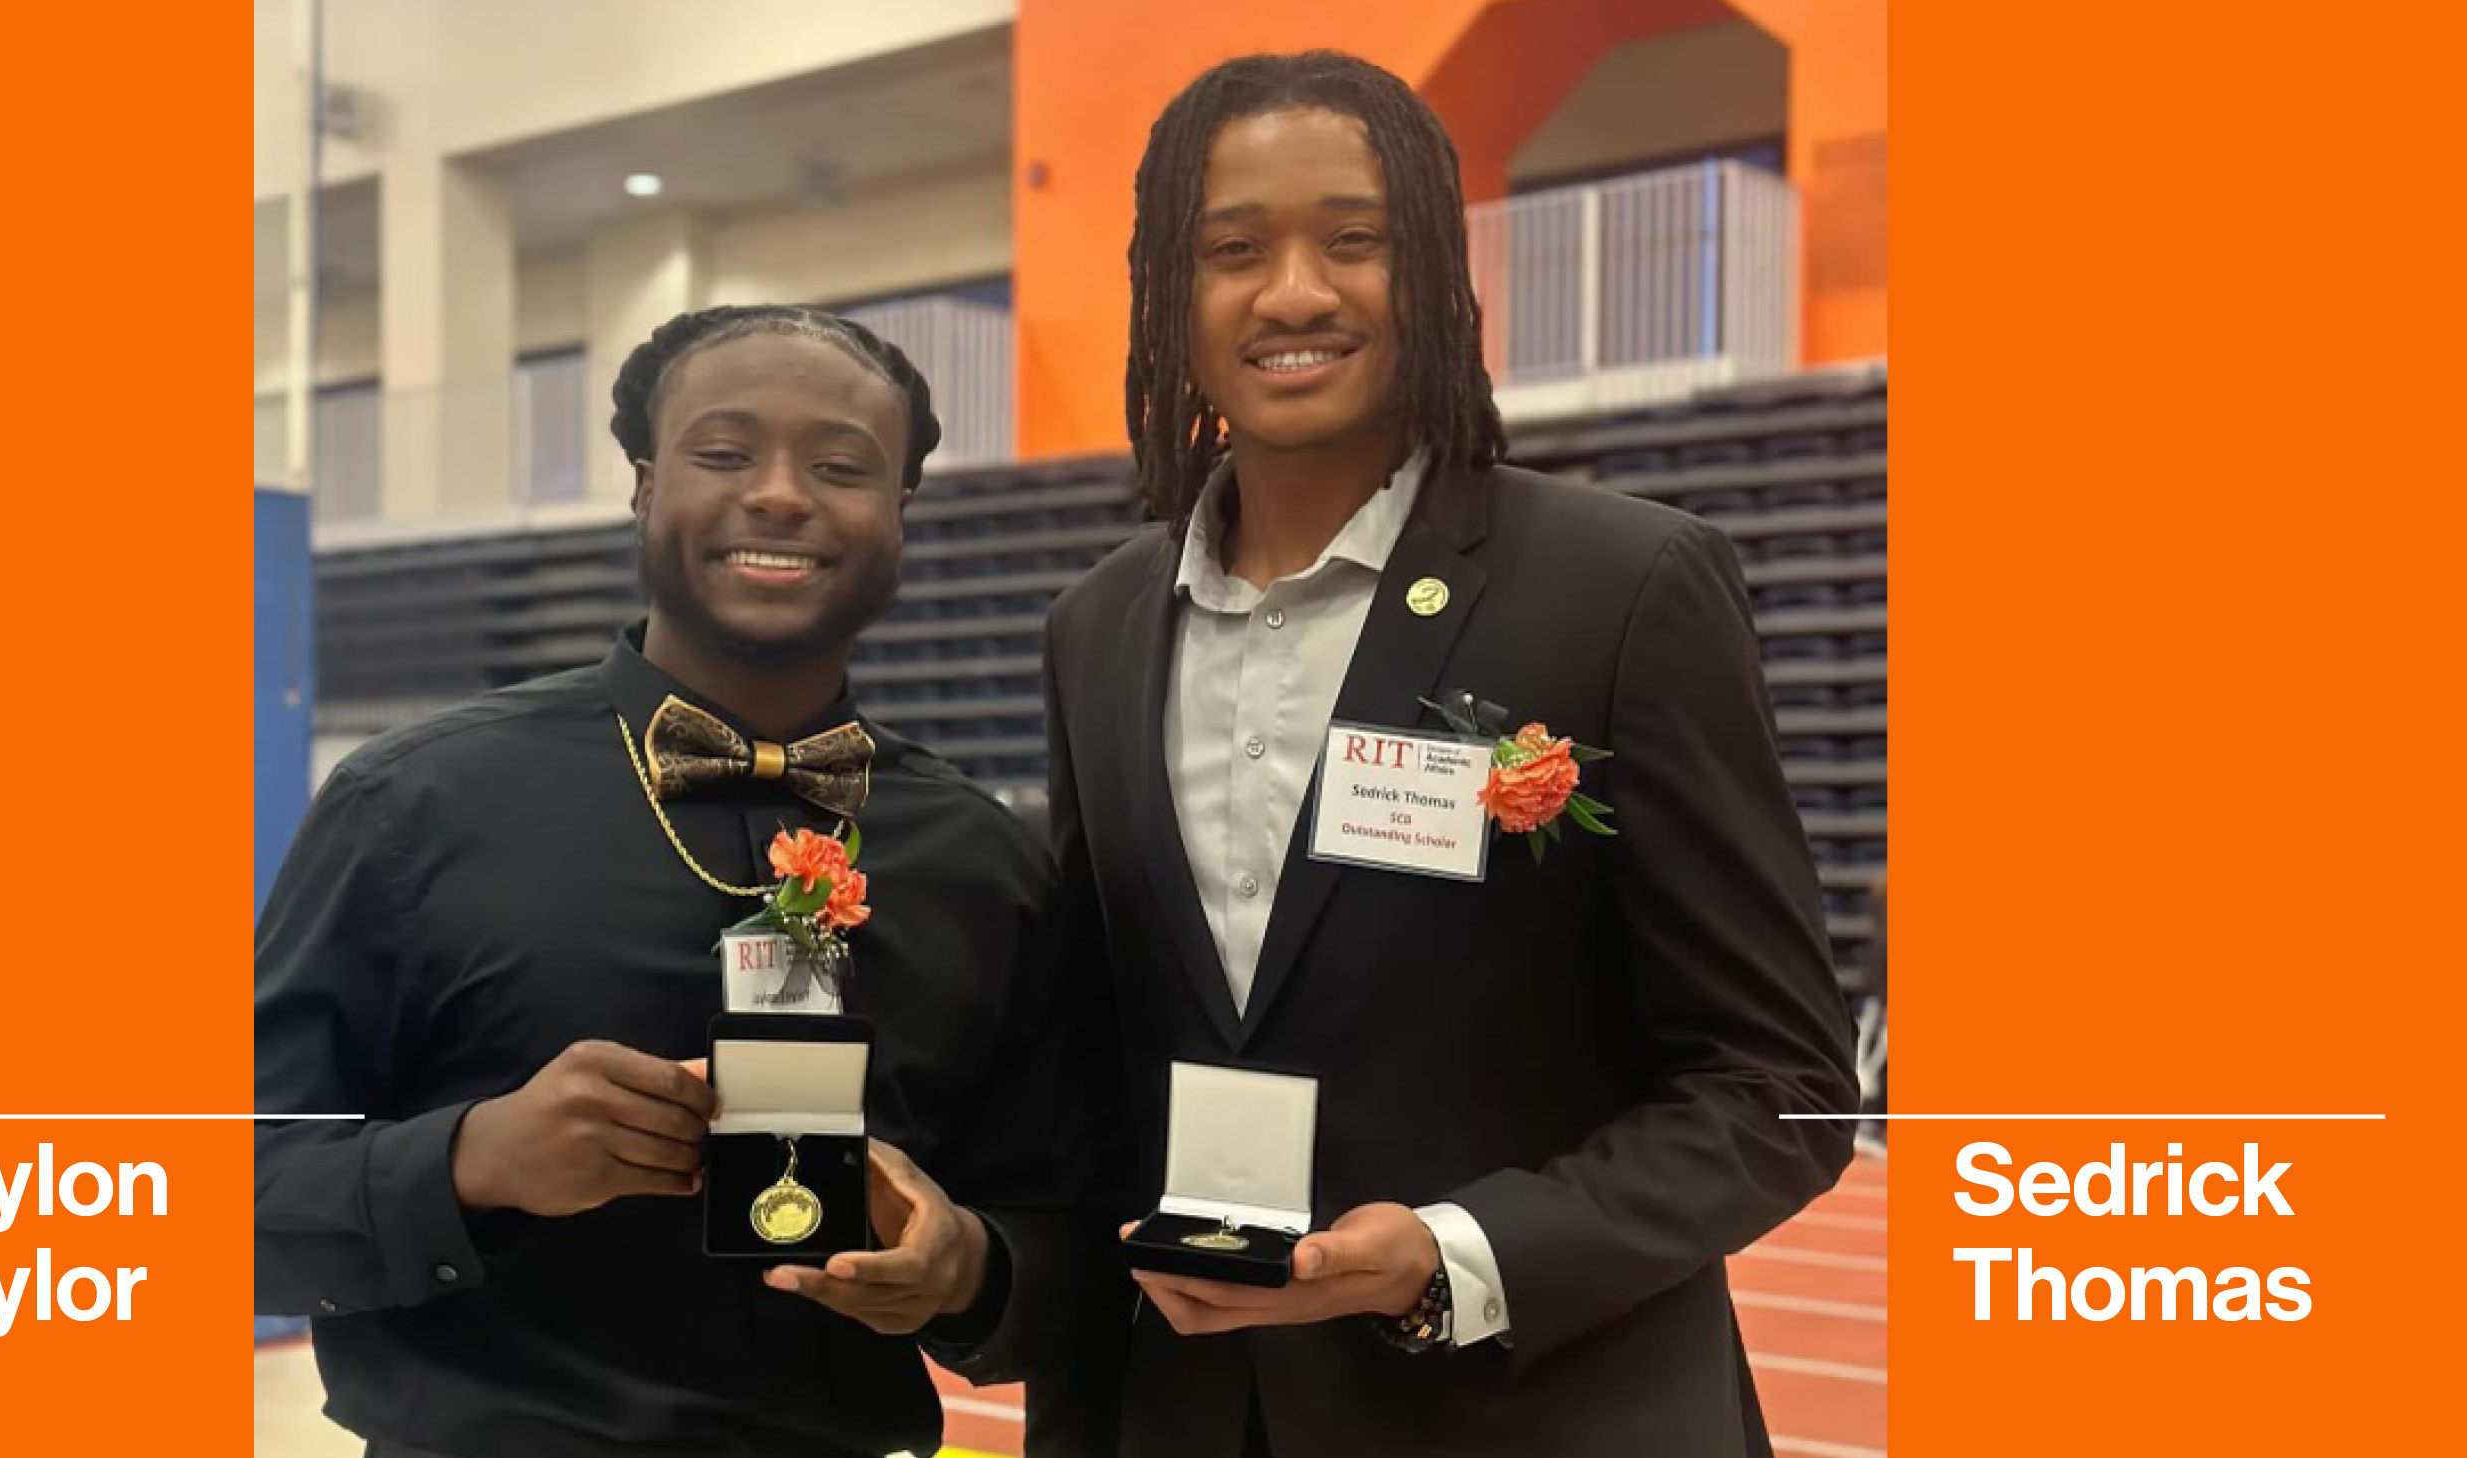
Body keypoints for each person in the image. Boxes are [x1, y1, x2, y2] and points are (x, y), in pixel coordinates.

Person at [1030, 51, 1861, 1457]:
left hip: (1539, 1415)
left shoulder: (1622, 586)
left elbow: (1773, 1086)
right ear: (1169, 300)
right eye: (1232, 249)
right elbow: (1098, 1056)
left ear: (1429, 271)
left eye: (1352, 239)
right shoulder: (1095, 625)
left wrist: (1448, 1254)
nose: (1294, 291)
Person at [255, 305, 1087, 1458]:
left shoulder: (981, 860)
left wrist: (967, 1266)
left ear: (901, 515)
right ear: (646, 489)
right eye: (725, 452)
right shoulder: (413, 807)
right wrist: (470, 1161)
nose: (782, 494)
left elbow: (1074, 1240)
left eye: (841, 465)